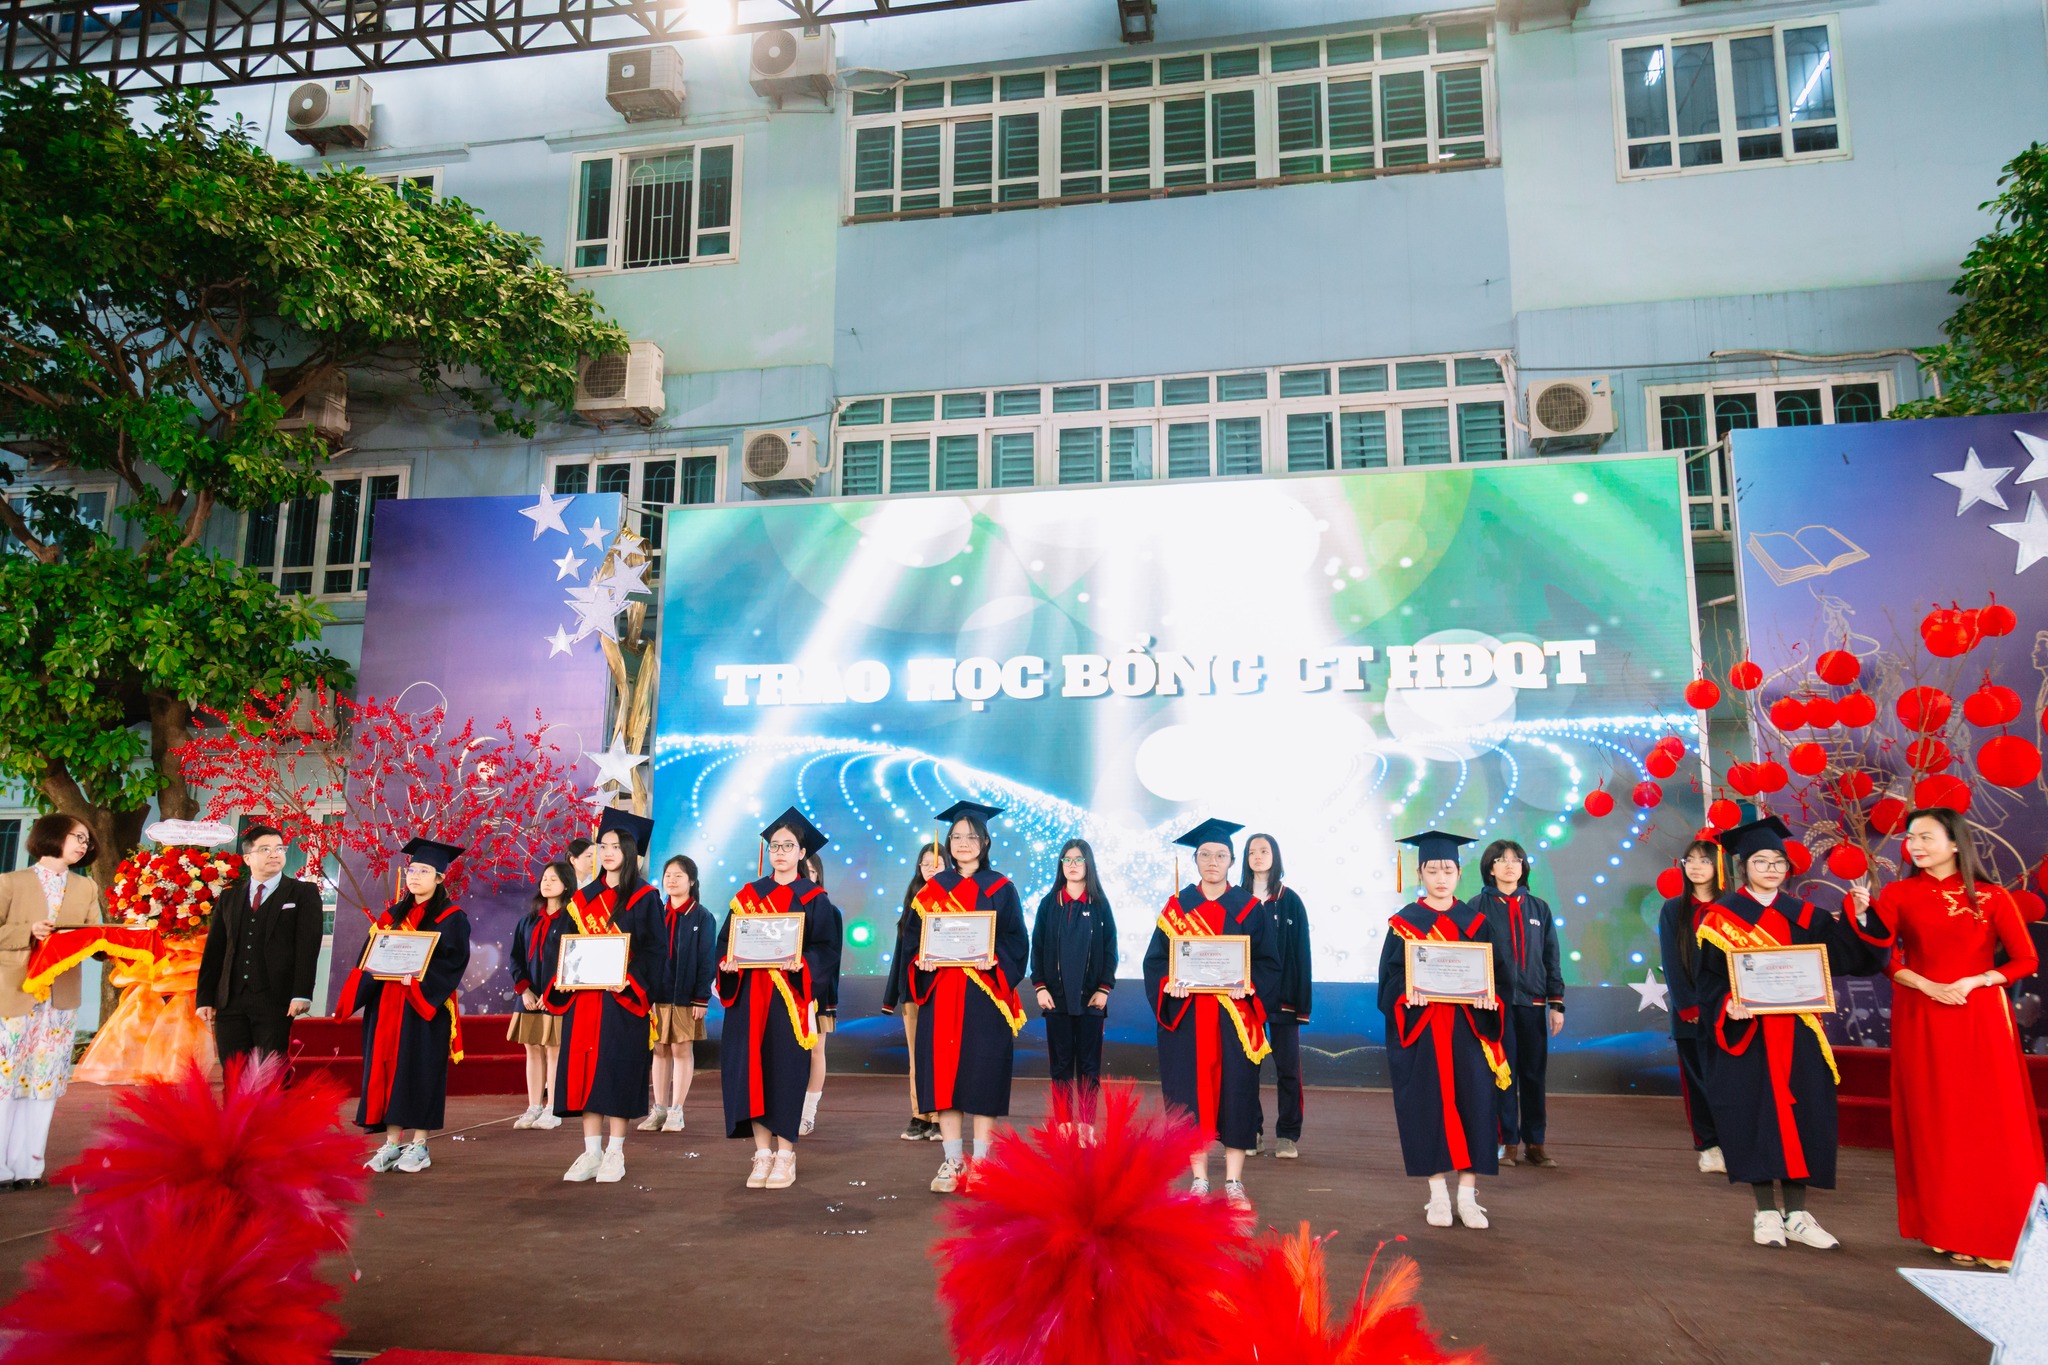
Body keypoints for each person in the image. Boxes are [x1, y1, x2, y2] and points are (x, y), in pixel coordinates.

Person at [1862, 807, 2044, 1267]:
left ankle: (2004, 1234)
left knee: (1992, 1122)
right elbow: (1880, 956)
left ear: (1955, 842)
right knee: (1937, 1122)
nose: (1915, 846)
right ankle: (1950, 1229)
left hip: (1980, 1016)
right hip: (1921, 1015)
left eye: (1926, 836)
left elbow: (2025, 960)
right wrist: (1924, 984)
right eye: (1910, 838)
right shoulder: (1898, 894)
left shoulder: (1993, 896)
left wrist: (1977, 980)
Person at [1695, 815, 1887, 1250]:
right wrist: (1728, 1005)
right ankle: (1765, 1212)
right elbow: (1707, 982)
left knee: (1805, 1114)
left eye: (1779, 862)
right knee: (1756, 1114)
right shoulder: (1720, 918)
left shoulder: (1808, 916)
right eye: (1761, 862)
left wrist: (1858, 917)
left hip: (1801, 1032)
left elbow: (1849, 958)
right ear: (1743, 866)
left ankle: (1798, 1214)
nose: (1771, 869)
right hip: (1750, 1035)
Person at [1143, 818, 1279, 1212]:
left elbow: (1268, 964)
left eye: (1221, 855)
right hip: (1188, 1018)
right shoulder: (1177, 907)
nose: (1213, 862)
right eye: (1205, 855)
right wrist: (1169, 983)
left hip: (1234, 1019)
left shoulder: (1249, 909)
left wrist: (1248, 986)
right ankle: (1200, 1178)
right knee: (1189, 1095)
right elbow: (1156, 961)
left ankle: (1234, 1181)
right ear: (1196, 860)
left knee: (1237, 1093)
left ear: (1232, 861)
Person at [1379, 830, 1508, 1230]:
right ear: (1420, 873)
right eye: (1432, 870)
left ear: (1459, 873)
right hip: (1424, 1030)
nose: (1440, 878)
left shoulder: (1477, 923)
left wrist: (1490, 1000)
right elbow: (1388, 982)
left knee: (1475, 1106)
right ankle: (1437, 1195)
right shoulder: (1404, 924)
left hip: (1469, 1032)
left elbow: (1499, 978)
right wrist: (1407, 993)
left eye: (1448, 870)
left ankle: (1467, 1197)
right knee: (1427, 1106)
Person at [717, 808, 842, 1190]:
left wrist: (802, 964)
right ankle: (762, 1154)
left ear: (802, 853)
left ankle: (785, 1155)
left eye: (789, 846)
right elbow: (726, 943)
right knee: (751, 1072)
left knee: (785, 1073)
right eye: (775, 846)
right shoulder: (748, 896)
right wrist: (727, 964)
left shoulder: (814, 899)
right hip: (748, 1000)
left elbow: (826, 950)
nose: (781, 852)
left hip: (788, 1000)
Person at [912, 801, 1030, 1194]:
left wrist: (995, 960)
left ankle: (982, 1162)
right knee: (945, 1077)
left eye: (971, 837)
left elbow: (1016, 940)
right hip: (942, 992)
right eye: (956, 837)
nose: (963, 843)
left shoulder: (1001, 888)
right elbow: (913, 941)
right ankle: (952, 1160)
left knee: (982, 1074)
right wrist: (921, 961)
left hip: (986, 996)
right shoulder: (933, 890)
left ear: (986, 842)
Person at [337, 838, 473, 1174]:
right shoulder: (391, 916)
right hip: (386, 1005)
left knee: (420, 1070)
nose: (415, 876)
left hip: (422, 1007)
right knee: (385, 1070)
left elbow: (452, 964)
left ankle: (420, 1144)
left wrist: (415, 980)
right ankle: (392, 1143)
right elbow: (368, 959)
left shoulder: (451, 918)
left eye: (424, 871)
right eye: (412, 870)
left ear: (440, 877)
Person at [549, 809, 660, 1183]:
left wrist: (629, 979)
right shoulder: (582, 899)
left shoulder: (645, 897)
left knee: (615, 1072)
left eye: (616, 846)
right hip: (585, 1001)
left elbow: (655, 951)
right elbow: (564, 946)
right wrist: (564, 976)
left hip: (621, 1000)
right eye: (604, 846)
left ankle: (615, 1152)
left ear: (631, 852)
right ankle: (591, 1152)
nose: (609, 852)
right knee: (585, 1075)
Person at [0, 815, 102, 1190]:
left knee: (44, 1079)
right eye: (78, 837)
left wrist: (125, 939)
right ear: (52, 836)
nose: (83, 845)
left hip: (61, 999)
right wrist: (27, 931)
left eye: (87, 840)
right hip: (14, 993)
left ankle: (29, 1167)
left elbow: (93, 936)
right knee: (6, 1079)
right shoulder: (10, 882)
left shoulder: (86, 886)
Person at [195, 824, 323, 1067]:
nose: (274, 854)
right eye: (265, 849)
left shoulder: (302, 893)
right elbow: (214, 951)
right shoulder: (230, 897)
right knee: (233, 1071)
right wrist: (204, 998)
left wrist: (302, 993)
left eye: (279, 848)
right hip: (230, 1000)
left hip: (276, 999)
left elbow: (308, 947)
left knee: (269, 1072)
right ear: (247, 858)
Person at [1472, 839, 1565, 1168]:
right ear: (1490, 868)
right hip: (1494, 1006)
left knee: (1534, 1075)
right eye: (1502, 859)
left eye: (1516, 859)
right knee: (1503, 1074)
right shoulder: (1476, 907)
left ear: (1524, 867)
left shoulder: (1539, 908)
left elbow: (1551, 957)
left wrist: (1556, 1003)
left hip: (1534, 1004)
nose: (1510, 865)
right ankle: (1506, 1142)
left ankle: (1535, 1143)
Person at [1656, 839, 1726, 1173]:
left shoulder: (1733, 906)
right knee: (1698, 1081)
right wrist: (1688, 1006)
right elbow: (1671, 962)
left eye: (1704, 860)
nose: (1696, 867)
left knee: (1731, 1080)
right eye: (1690, 860)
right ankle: (1709, 1147)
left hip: (1731, 1011)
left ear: (1718, 867)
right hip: (1692, 1014)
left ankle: (1736, 1142)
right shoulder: (1673, 909)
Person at [1030, 838, 1117, 1094]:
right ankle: (1063, 1119)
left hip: (1092, 999)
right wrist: (1040, 987)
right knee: (1061, 1067)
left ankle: (1087, 1120)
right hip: (1056, 999)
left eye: (1079, 859)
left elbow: (1110, 949)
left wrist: (1103, 988)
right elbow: (1037, 948)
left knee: (1089, 1067)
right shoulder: (1049, 904)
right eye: (1067, 859)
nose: (1072, 864)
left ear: (1088, 864)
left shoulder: (1100, 905)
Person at [1242, 833, 1308, 1159]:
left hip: (1283, 999)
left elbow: (1301, 953)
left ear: (1275, 856)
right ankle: (1250, 1131)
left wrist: (1302, 1003)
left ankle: (1287, 1135)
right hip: (1246, 998)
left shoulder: (1290, 900)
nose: (1258, 856)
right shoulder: (1235, 898)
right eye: (1252, 851)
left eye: (1264, 850)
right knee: (1245, 1069)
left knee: (1288, 1069)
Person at [642, 854, 715, 1134]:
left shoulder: (702, 916)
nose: (671, 881)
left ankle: (677, 1111)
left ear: (692, 881)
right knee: (659, 1050)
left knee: (682, 1050)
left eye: (678, 876)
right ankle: (659, 1109)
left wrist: (701, 998)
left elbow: (706, 960)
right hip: (657, 996)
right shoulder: (656, 915)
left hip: (687, 997)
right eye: (668, 875)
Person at [882, 847, 945, 1141]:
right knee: (916, 1057)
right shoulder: (913, 902)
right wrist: (891, 996)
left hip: (943, 988)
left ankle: (941, 1116)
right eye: (925, 863)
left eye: (938, 863)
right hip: (913, 990)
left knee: (940, 1055)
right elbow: (900, 953)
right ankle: (920, 1114)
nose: (931, 868)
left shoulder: (955, 901)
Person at [507, 860, 572, 1130]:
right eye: (545, 878)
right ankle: (534, 1106)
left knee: (554, 1051)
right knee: (532, 1049)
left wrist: (552, 990)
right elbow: (515, 958)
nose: (547, 883)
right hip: (529, 998)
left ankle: (553, 1107)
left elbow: (574, 958)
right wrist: (524, 990)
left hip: (558, 997)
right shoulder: (528, 920)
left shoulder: (573, 920)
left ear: (566, 885)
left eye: (554, 879)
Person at [799, 850, 844, 1136]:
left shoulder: (828, 909)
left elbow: (830, 958)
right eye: (803, 871)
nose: (807, 876)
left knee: (816, 1051)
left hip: (818, 993)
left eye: (812, 872)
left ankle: (808, 1113)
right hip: (784, 992)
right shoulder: (777, 908)